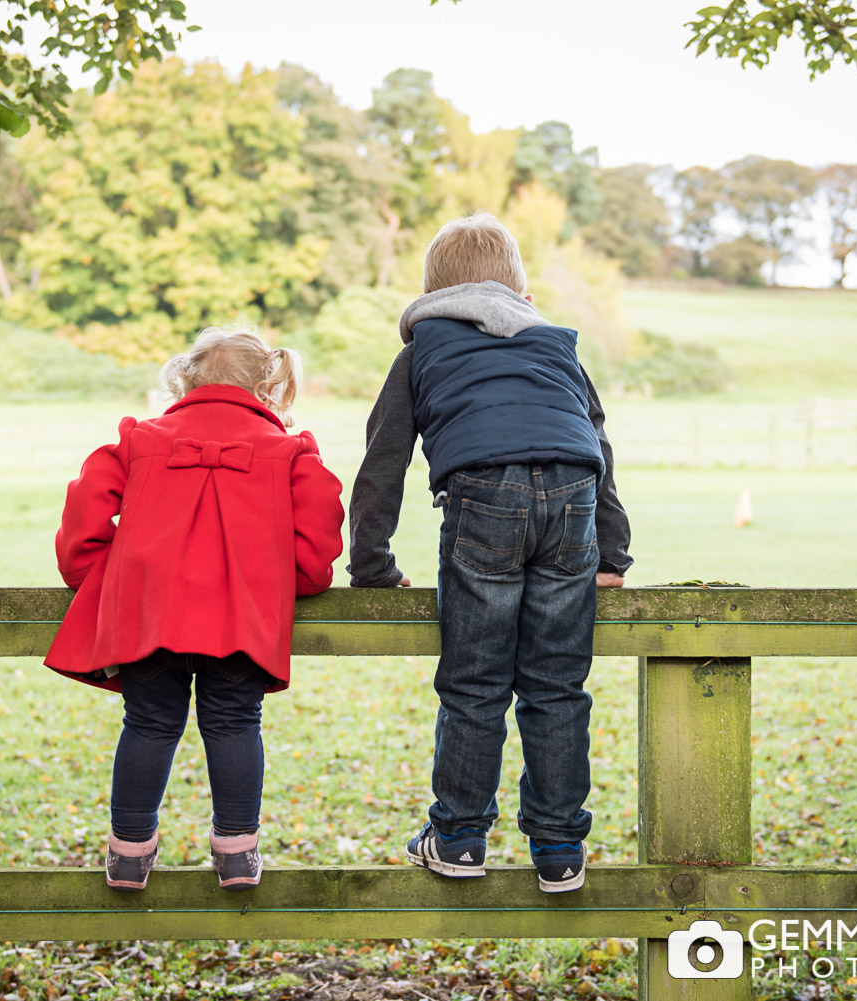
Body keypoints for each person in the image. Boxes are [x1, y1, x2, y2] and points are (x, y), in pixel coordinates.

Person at [347, 212, 633, 893]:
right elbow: (600, 450)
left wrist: (371, 566)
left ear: (433, 292)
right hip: (572, 497)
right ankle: (560, 848)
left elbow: (383, 458)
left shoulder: (424, 350)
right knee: (557, 684)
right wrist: (612, 553)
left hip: (484, 496)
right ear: (519, 288)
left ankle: (460, 837)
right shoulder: (556, 346)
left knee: (475, 680)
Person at [45, 327, 344, 892]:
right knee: (234, 721)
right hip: (241, 619)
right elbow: (319, 539)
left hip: (148, 614)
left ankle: (128, 853)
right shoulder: (289, 449)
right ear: (268, 383)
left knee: (149, 722)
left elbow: (83, 517)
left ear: (186, 377)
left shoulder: (140, 438)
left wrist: (103, 580)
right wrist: (291, 582)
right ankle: (237, 851)